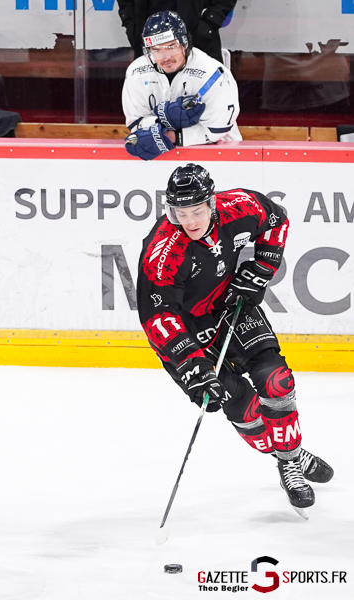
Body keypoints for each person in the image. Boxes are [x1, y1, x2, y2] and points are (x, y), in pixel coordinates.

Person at [136, 164, 333, 515]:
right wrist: (191, 364)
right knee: (241, 406)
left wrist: (260, 270)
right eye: (180, 213)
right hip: (185, 332)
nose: (190, 221)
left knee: (276, 379)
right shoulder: (163, 249)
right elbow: (157, 316)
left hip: (230, 307)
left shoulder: (239, 207)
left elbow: (276, 220)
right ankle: (289, 452)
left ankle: (288, 464)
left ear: (211, 203)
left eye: (196, 211)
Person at [122, 11, 240, 161]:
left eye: (171, 47)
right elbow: (135, 121)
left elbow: (218, 128)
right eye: (156, 49)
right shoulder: (136, 72)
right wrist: (164, 123)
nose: (165, 57)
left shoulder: (212, 73)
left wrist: (171, 135)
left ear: (184, 44)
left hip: (220, 156)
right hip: (163, 157)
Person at [116, 0, 237, 64]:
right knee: (148, 104)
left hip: (197, 38)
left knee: (208, 100)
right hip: (149, 39)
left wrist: (209, 23)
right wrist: (131, 25)